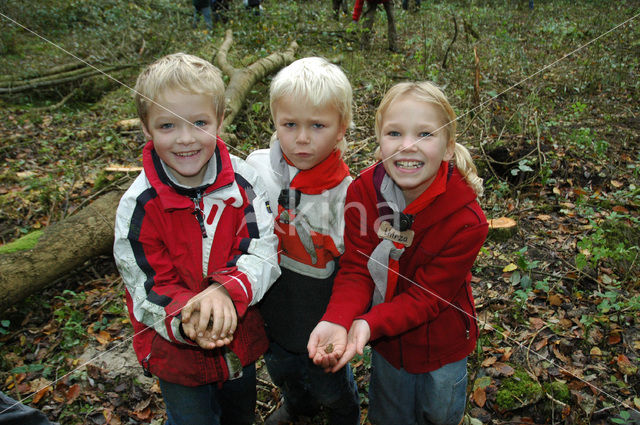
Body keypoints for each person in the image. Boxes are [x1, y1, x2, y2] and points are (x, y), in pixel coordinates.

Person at [113, 53, 280, 425]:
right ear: (146, 127)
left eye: (199, 122)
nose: (185, 139)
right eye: (168, 125)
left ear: (220, 120)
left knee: (239, 414)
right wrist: (189, 318)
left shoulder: (246, 183)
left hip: (240, 340)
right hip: (175, 354)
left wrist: (226, 292)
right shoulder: (138, 206)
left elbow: (263, 250)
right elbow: (146, 285)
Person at [308, 81, 488, 425]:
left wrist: (367, 323)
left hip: (443, 347)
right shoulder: (362, 191)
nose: (408, 146)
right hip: (388, 347)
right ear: (380, 141)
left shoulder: (467, 220)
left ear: (448, 148)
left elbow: (427, 298)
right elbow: (357, 267)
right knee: (390, 414)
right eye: (394, 133)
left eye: (424, 134)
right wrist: (338, 318)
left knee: (439, 414)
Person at [246, 57, 360, 425]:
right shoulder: (257, 168)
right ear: (275, 122)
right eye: (290, 124)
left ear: (341, 129)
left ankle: (345, 415)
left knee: (330, 386)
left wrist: (341, 321)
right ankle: (298, 407)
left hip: (319, 316)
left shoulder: (348, 195)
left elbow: (353, 270)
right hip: (272, 313)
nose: (302, 138)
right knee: (283, 372)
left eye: (318, 125)